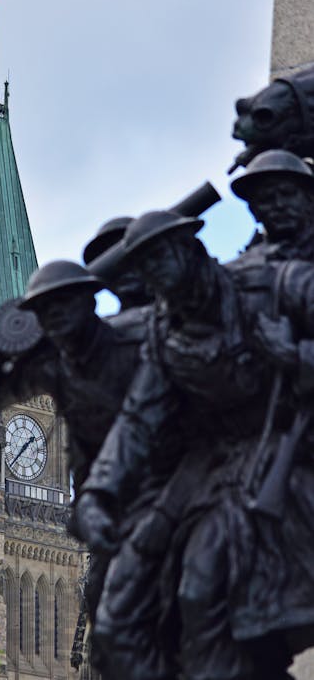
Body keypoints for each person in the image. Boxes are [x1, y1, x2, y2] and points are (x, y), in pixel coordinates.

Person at [76, 209, 314, 680]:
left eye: (159, 264)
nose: (154, 281)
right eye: (146, 271)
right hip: (209, 476)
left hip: (282, 451)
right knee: (164, 596)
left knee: (208, 591)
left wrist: (297, 357)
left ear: (189, 251)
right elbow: (138, 420)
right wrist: (100, 493)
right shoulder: (166, 335)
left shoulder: (266, 285)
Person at [0, 259, 148, 619]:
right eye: (48, 315)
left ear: (88, 306)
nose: (57, 324)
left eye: (62, 312)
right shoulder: (50, 367)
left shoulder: (132, 346)